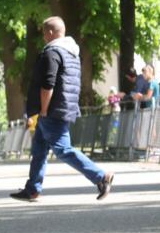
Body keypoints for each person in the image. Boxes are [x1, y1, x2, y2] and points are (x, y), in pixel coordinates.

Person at [11, 16, 113, 203]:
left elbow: (48, 84)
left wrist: (43, 109)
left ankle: (101, 177)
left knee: (63, 149)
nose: (43, 38)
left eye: (44, 33)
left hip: (52, 109)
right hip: (64, 107)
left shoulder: (52, 52)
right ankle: (32, 189)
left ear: (50, 33)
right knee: (39, 148)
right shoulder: (72, 53)